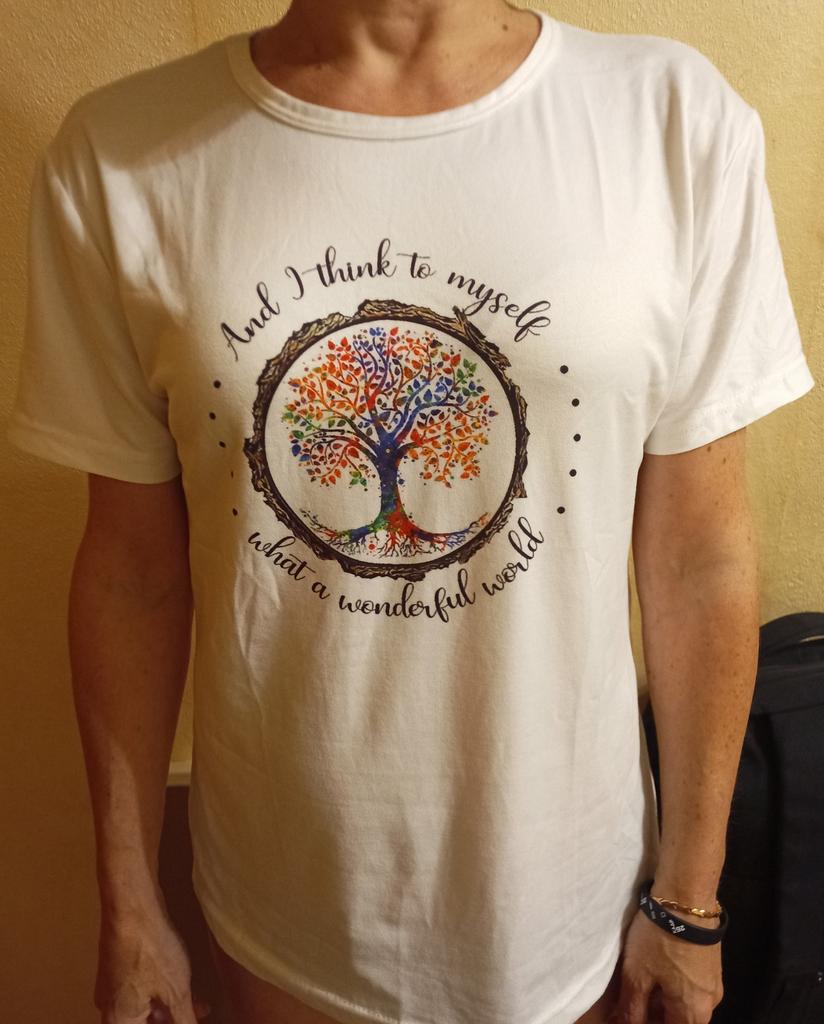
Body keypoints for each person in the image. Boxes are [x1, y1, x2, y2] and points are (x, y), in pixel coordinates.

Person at [6, 0, 816, 1022]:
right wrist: (129, 900)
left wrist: (689, 901)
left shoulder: (672, 120)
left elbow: (699, 557)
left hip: (580, 912)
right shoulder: (120, 155)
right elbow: (132, 575)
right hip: (277, 909)